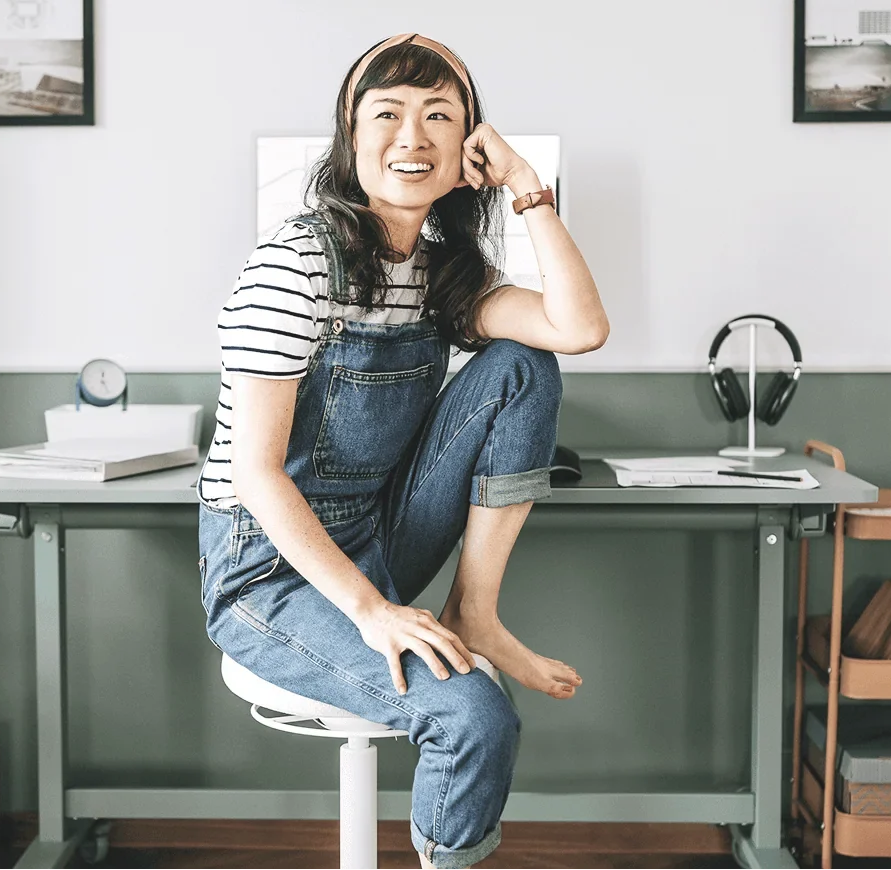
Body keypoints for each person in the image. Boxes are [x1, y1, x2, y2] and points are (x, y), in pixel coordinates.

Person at [197, 32, 609, 870]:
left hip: (379, 532)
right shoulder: (295, 263)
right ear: (351, 142)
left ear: (470, 151)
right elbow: (256, 473)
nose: (412, 138)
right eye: (386, 114)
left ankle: (476, 612)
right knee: (475, 717)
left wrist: (530, 191)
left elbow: (578, 329)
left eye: (439, 117)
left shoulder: (444, 273)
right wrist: (371, 609)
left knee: (522, 363)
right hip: (269, 574)